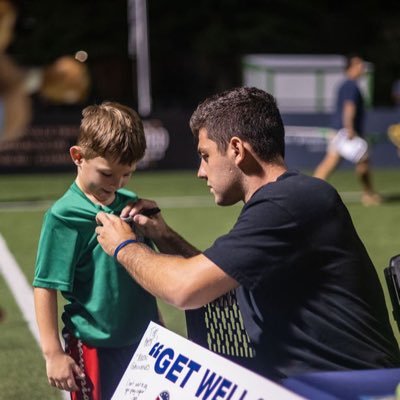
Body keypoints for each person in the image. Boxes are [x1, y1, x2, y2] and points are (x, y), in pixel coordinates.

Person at [95, 87, 400, 382]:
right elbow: (222, 285)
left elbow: (185, 290)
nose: (201, 171)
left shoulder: (289, 203)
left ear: (237, 150)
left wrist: (124, 246)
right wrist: (165, 236)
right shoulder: (287, 200)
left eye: (205, 155)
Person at [33, 102, 162, 400]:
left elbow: (143, 271)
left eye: (127, 174)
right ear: (78, 156)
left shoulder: (130, 204)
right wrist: (53, 353)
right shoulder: (63, 216)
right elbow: (45, 286)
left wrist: (159, 326)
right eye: (107, 174)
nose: (117, 184)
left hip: (144, 343)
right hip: (93, 347)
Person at [313, 54, 381, 206]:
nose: (362, 67)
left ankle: (309, 194)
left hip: (339, 132)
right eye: (359, 65)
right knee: (361, 161)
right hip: (344, 132)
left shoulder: (347, 84)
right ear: (350, 68)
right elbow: (349, 107)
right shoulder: (351, 85)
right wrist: (349, 128)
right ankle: (368, 195)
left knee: (331, 164)